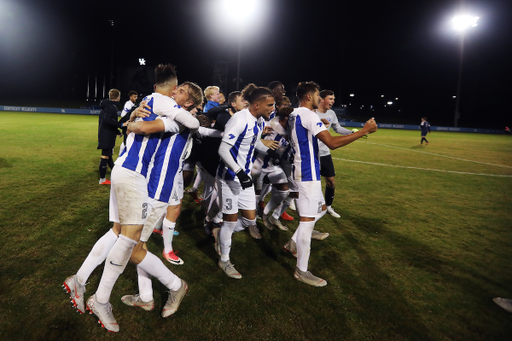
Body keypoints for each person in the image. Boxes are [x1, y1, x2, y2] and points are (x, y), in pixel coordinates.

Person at [63, 64, 194, 332]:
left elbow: (145, 128)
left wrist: (133, 122)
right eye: (177, 87)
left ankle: (85, 281)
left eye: (182, 91)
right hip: (137, 177)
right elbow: (145, 127)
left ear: (189, 102)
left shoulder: (165, 109)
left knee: (123, 236)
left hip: (141, 180)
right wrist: (136, 122)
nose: (177, 92)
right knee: (131, 243)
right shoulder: (161, 105)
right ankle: (103, 298)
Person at [285, 81, 377, 287]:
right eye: (317, 95)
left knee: (322, 210)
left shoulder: (294, 113)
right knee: (307, 224)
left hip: (306, 172)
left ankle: (292, 242)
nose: (319, 98)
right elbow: (333, 143)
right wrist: (364, 131)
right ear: (309, 96)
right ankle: (301, 270)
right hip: (306, 175)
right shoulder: (309, 115)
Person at [215, 83, 279, 279]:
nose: (272, 109)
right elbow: (223, 150)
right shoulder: (239, 120)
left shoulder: (259, 121)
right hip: (229, 178)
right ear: (257, 105)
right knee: (230, 220)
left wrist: (270, 151)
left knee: (250, 219)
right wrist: (239, 172)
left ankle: (219, 232)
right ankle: (224, 259)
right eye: (269, 105)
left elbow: (254, 142)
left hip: (243, 179)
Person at [315, 89, 354, 219]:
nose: (333, 101)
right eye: (330, 98)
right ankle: (293, 200)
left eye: (333, 99)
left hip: (325, 152)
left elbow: (337, 128)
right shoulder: (312, 113)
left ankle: (329, 206)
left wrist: (351, 133)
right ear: (321, 99)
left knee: (331, 181)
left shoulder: (331, 113)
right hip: (311, 153)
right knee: (310, 182)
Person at [97, 89, 124, 185]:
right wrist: (121, 125)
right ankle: (102, 179)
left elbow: (108, 122)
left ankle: (114, 173)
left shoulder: (106, 106)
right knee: (105, 156)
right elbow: (108, 120)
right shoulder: (112, 107)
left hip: (105, 134)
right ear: (118, 97)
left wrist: (117, 131)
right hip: (107, 136)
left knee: (109, 155)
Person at [119, 91, 138, 156]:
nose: (136, 98)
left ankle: (122, 154)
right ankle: (121, 154)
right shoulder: (128, 104)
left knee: (127, 140)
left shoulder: (133, 104)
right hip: (126, 122)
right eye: (134, 97)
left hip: (128, 122)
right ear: (130, 97)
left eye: (136, 97)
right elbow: (126, 115)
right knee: (126, 140)